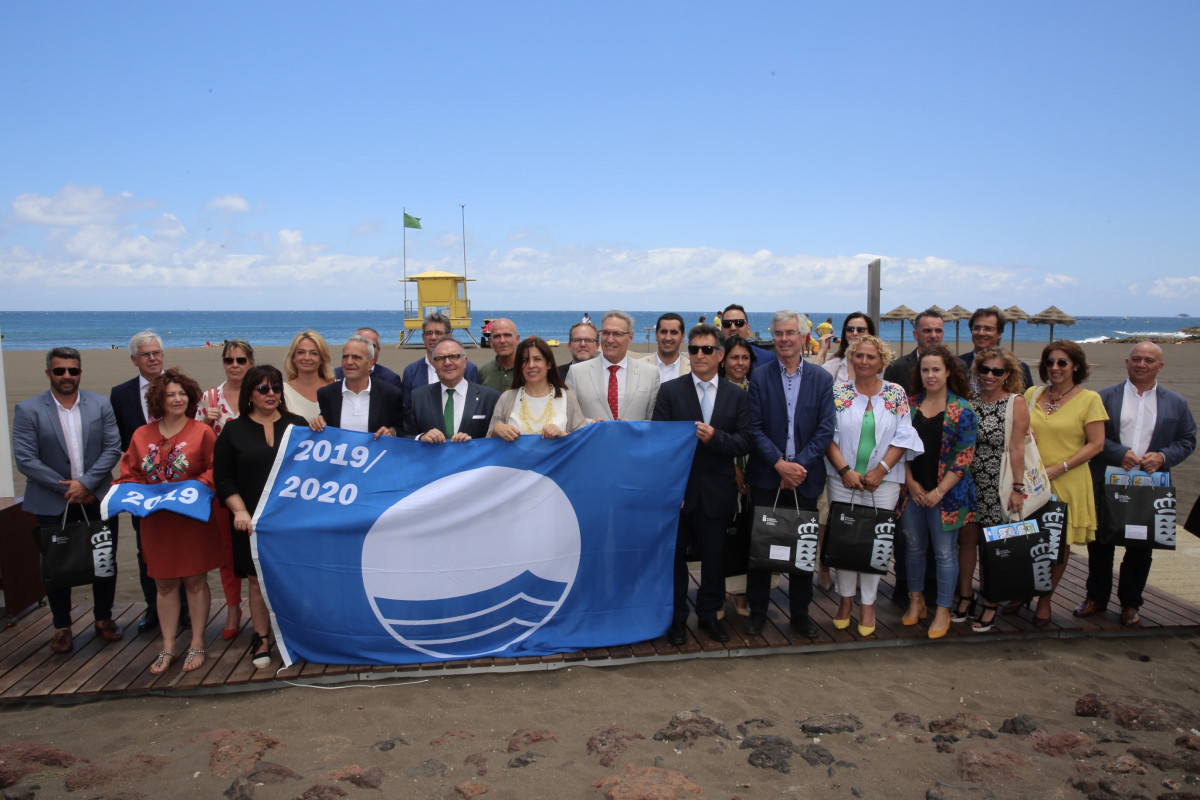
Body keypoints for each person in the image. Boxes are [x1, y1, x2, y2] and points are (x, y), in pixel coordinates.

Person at [1076, 342, 1196, 626]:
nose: (1142, 364)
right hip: (1108, 479)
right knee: (1101, 543)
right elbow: (1090, 437)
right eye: (1137, 359)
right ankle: (1096, 598)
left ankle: (1131, 603)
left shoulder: (1176, 402)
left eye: (1149, 360)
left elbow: (1188, 439)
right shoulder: (1104, 397)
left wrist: (1164, 456)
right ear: (1127, 362)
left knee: (1142, 547)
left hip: (1151, 483)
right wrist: (1119, 452)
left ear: (1160, 366)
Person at [13, 347, 123, 654]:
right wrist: (69, 488)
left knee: (104, 559)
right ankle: (61, 626)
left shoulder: (100, 404)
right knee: (56, 565)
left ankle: (104, 618)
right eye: (59, 370)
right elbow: (25, 460)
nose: (66, 376)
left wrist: (85, 484)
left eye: (72, 371)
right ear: (48, 372)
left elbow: (112, 448)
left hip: (95, 497)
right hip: (52, 501)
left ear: (80, 373)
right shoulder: (29, 409)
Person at [115, 368, 223, 674]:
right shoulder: (141, 435)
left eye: (182, 393)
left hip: (191, 520)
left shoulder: (202, 432)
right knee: (163, 584)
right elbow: (130, 474)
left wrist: (193, 489)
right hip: (156, 522)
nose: (177, 399)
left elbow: (215, 469)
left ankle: (198, 642)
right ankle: (168, 645)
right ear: (157, 399)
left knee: (194, 581)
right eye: (170, 394)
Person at [653, 325, 752, 645]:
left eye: (706, 350)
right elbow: (659, 445)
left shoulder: (736, 395)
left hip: (717, 492)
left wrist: (716, 438)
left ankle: (710, 616)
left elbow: (745, 441)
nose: (698, 355)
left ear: (720, 355)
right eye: (693, 349)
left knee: (714, 560)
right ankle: (677, 619)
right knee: (675, 562)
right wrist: (671, 490)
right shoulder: (670, 391)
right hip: (679, 494)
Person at [743, 311, 835, 639]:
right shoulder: (760, 376)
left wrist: (797, 467)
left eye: (791, 333)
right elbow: (754, 428)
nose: (784, 339)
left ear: (803, 337)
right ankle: (757, 611)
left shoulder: (822, 379)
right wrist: (779, 465)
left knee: (803, 549)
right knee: (762, 548)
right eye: (779, 333)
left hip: (806, 477)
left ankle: (800, 612)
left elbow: (825, 430)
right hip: (768, 476)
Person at [823, 335, 922, 636]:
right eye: (859, 356)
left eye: (871, 357)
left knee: (873, 542)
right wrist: (845, 470)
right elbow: (825, 435)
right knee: (845, 540)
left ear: (882, 362)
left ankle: (867, 604)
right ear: (851, 359)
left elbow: (904, 436)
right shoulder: (838, 393)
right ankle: (844, 599)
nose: (864, 361)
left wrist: (881, 469)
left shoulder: (896, 393)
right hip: (842, 478)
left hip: (886, 481)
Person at [214, 365, 309, 670]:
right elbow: (223, 477)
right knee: (256, 583)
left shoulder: (299, 425)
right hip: (251, 522)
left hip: (292, 522)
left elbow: (314, 471)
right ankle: (261, 637)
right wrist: (240, 510)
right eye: (263, 389)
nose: (271, 394)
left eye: (276, 388)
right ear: (250, 394)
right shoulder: (233, 430)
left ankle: (299, 634)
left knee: (294, 579)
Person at [1008, 340, 1107, 625]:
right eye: (1049, 362)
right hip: (1030, 479)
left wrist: (1059, 468)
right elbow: (1016, 429)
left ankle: (1045, 600)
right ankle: (1024, 591)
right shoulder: (1031, 394)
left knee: (1057, 545)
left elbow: (1096, 444)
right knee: (1026, 539)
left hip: (1068, 480)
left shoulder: (1089, 399)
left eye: (1062, 362)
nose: (1055, 368)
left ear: (1076, 365)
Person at [899, 346, 976, 639]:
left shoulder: (962, 409)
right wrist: (912, 484)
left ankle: (943, 608)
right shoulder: (909, 404)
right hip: (913, 492)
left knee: (945, 553)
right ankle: (916, 600)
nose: (930, 375)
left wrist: (938, 492)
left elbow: (964, 456)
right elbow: (898, 447)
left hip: (948, 496)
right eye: (925, 370)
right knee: (914, 548)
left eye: (936, 370)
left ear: (948, 372)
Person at [109, 330, 171, 634]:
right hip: (141, 487)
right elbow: (121, 440)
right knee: (146, 548)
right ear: (134, 359)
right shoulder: (120, 394)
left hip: (177, 484)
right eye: (146, 354)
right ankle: (153, 608)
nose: (153, 359)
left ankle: (183, 610)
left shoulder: (180, 387)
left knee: (180, 545)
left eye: (157, 352)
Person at [965, 348, 1030, 633]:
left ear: (1008, 375)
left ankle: (990, 602)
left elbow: (1018, 447)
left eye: (997, 371)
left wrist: (1018, 487)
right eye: (985, 370)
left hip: (998, 480)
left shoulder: (1015, 402)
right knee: (966, 540)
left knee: (992, 545)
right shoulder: (972, 401)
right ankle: (966, 595)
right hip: (969, 479)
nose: (990, 376)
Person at [195, 338, 254, 642]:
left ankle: (263, 609)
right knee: (227, 553)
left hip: (256, 484)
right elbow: (194, 440)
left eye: (241, 360)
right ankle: (233, 608)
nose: (234, 366)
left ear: (250, 363)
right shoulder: (210, 398)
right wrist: (205, 421)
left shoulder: (261, 394)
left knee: (257, 551)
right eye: (229, 360)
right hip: (223, 484)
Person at [719, 335, 757, 616]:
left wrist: (751, 471)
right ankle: (718, 593)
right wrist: (734, 469)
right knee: (720, 537)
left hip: (755, 472)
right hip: (721, 473)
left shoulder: (756, 390)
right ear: (723, 359)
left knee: (747, 535)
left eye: (745, 358)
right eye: (734, 357)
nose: (740, 363)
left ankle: (741, 593)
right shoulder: (715, 390)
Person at [565, 310, 660, 421]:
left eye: (617, 334)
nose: (610, 339)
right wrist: (590, 424)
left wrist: (636, 426)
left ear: (630, 337)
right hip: (593, 437)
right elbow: (568, 417)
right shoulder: (576, 372)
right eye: (605, 333)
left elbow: (654, 421)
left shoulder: (650, 374)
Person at [488, 337, 588, 439]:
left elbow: (582, 440)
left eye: (537, 359)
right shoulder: (507, 398)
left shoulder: (567, 397)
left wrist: (563, 435)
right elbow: (488, 442)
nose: (531, 365)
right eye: (524, 360)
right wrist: (496, 429)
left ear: (549, 364)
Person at [407, 337, 500, 442]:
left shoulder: (489, 397)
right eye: (440, 358)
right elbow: (404, 436)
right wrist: (421, 437)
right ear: (434, 364)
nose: (447, 363)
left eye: (453, 356)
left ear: (465, 362)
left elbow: (496, 439)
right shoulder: (418, 398)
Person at [311, 335, 404, 439]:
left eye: (356, 357)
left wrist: (392, 432)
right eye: (345, 357)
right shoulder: (327, 394)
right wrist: (318, 423)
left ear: (370, 363)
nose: (349, 362)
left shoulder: (390, 395)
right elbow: (324, 427)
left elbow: (403, 429)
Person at [401, 313, 482, 411]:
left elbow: (475, 405)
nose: (433, 337)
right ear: (423, 337)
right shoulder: (411, 372)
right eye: (429, 333)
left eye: (438, 333)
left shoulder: (468, 369)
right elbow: (406, 410)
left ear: (449, 336)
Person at [959, 308, 1034, 395]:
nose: (981, 333)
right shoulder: (957, 364)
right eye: (977, 328)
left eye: (988, 329)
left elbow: (1028, 401)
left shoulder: (1020, 368)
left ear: (999, 333)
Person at [282, 330, 335, 423]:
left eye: (314, 353)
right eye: (301, 352)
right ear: (293, 357)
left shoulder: (338, 388)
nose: (307, 358)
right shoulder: (281, 391)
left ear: (322, 358)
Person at [884, 308, 945, 389]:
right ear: (915, 334)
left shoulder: (956, 366)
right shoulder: (896, 368)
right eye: (927, 330)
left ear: (943, 334)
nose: (934, 335)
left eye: (938, 331)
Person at [333, 327, 402, 390]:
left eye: (372, 345)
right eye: (360, 344)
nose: (367, 349)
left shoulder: (390, 379)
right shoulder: (333, 375)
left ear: (378, 350)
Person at [821, 313, 877, 383]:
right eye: (850, 329)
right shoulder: (834, 365)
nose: (855, 333)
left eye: (861, 329)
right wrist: (821, 351)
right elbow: (812, 382)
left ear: (870, 333)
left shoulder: (882, 367)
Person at [640, 313, 691, 383]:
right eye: (663, 332)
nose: (668, 338)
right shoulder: (638, 367)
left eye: (674, 332)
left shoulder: (693, 370)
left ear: (682, 337)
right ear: (656, 335)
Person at [478, 318, 519, 392]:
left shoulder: (528, 369)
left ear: (517, 339)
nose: (502, 340)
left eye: (507, 335)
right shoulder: (482, 373)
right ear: (491, 342)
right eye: (497, 336)